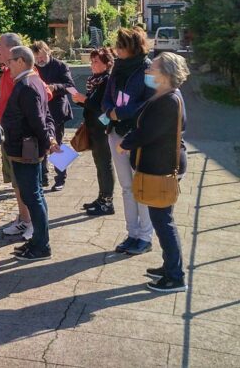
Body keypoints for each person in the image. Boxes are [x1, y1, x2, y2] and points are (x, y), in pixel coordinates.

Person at [120, 52, 189, 292]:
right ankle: (170, 266)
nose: (149, 71)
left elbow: (148, 132)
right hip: (159, 164)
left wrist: (125, 143)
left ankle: (175, 277)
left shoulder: (168, 100)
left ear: (166, 74)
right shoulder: (166, 96)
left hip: (162, 166)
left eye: (154, 68)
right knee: (162, 219)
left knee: (163, 221)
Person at [2, 46, 57, 261]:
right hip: (25, 147)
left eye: (11, 61)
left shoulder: (27, 85)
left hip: (26, 149)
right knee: (34, 195)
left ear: (22, 61)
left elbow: (38, 120)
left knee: (33, 196)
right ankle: (38, 241)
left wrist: (49, 141)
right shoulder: (33, 81)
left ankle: (41, 245)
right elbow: (45, 116)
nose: (7, 65)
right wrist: (50, 138)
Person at [104, 27, 154, 255]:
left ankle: (145, 236)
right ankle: (132, 233)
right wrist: (109, 112)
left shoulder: (147, 68)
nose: (117, 49)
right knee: (126, 187)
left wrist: (121, 113)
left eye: (121, 46)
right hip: (115, 132)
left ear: (133, 47)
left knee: (140, 185)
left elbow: (150, 102)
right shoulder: (117, 67)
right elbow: (107, 95)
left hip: (136, 133)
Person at [72, 48, 117, 216]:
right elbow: (92, 105)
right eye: (91, 61)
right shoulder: (96, 80)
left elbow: (101, 106)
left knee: (105, 165)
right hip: (94, 128)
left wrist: (85, 100)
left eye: (96, 61)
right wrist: (81, 101)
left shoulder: (106, 81)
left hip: (102, 129)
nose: (92, 65)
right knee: (100, 164)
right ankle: (101, 197)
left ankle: (107, 202)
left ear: (107, 64)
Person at [32, 41, 76, 192]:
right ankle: (42, 177)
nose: (40, 60)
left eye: (42, 56)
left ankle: (60, 178)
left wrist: (55, 87)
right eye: (37, 57)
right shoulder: (33, 68)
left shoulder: (60, 66)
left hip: (57, 111)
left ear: (48, 52)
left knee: (57, 144)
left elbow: (71, 87)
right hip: (39, 111)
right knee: (40, 144)